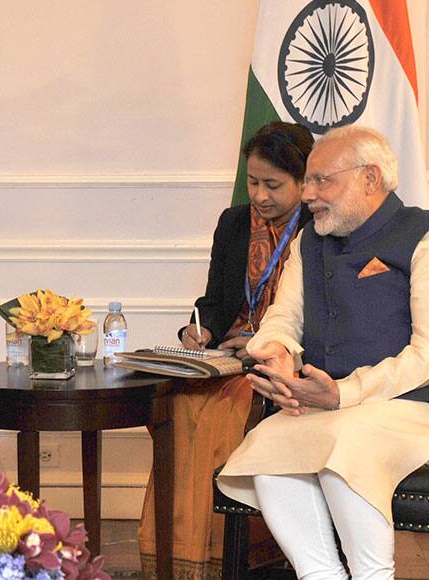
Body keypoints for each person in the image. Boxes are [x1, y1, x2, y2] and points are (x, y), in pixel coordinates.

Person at [217, 125, 429, 580]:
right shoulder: (309, 242)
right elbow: (284, 316)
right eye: (308, 181)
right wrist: (275, 351)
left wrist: (345, 393)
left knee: (347, 443)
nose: (308, 194)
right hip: (334, 406)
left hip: (426, 407)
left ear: (370, 180)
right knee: (270, 443)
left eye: (322, 181)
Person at [138, 122, 314, 578]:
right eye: (253, 182)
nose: (259, 196)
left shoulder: (321, 226)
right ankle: (176, 554)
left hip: (283, 359)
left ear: (303, 180)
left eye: (272, 185)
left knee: (216, 409)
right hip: (224, 356)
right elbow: (213, 303)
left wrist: (260, 343)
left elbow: (323, 317)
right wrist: (197, 331)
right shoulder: (233, 223)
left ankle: (220, 553)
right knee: (175, 400)